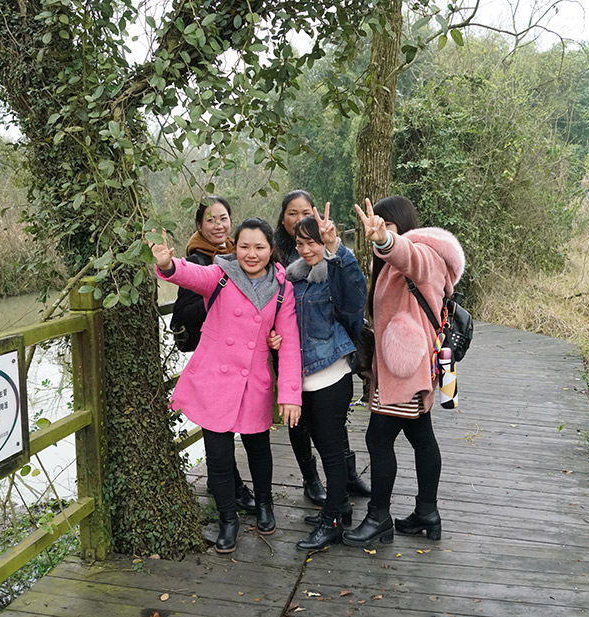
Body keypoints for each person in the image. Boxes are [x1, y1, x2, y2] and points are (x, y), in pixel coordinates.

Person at [151, 218, 303, 554]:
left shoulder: (282, 289)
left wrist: (291, 395)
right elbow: (190, 274)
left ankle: (264, 505)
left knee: (258, 450)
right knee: (218, 458)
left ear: (271, 249)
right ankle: (228, 520)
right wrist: (167, 264)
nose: (251, 254)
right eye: (244, 246)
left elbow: (290, 342)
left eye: (259, 247)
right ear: (235, 247)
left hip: (253, 382)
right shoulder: (221, 275)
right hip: (215, 382)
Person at [342, 196, 465, 549]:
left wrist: (385, 240)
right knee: (421, 438)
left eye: (387, 224)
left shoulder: (424, 255)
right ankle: (427, 513)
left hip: (405, 368)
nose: (378, 230)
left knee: (378, 440)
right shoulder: (391, 262)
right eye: (377, 225)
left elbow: (407, 255)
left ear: (403, 225)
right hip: (408, 367)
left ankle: (378, 518)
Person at [274, 190, 371, 505]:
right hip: (296, 371)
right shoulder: (289, 274)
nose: (304, 249)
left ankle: (337, 509)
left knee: (331, 445)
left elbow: (355, 295)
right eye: (292, 213)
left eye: (306, 212)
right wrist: (273, 336)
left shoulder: (334, 271)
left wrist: (334, 248)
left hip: (329, 370)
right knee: (311, 433)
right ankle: (323, 494)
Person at [170, 197, 255, 513]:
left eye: (223, 218)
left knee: (230, 425)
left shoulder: (238, 254)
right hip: (213, 360)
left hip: (239, 358)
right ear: (199, 225)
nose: (218, 225)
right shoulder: (197, 260)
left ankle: (226, 485)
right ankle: (233, 490)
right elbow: (182, 314)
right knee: (220, 429)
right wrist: (217, 298)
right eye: (210, 220)